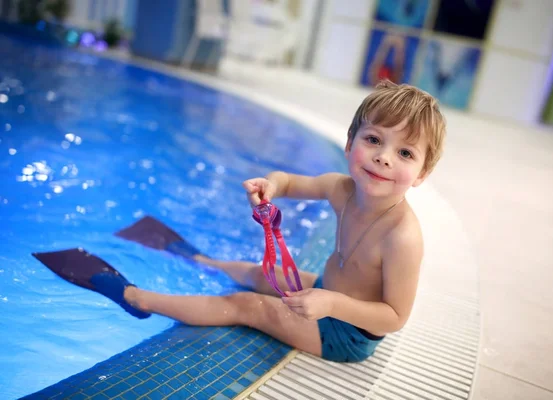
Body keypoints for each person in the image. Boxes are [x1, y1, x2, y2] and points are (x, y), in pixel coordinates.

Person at [42, 80, 446, 363]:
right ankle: (204, 263)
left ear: (423, 173)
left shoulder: (403, 238)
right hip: (327, 292)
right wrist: (269, 185)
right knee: (262, 271)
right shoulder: (340, 189)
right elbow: (287, 181)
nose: (384, 157)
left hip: (347, 333)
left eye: (406, 153)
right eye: (374, 139)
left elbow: (395, 317)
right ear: (349, 144)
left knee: (248, 305)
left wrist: (332, 303)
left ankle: (136, 298)